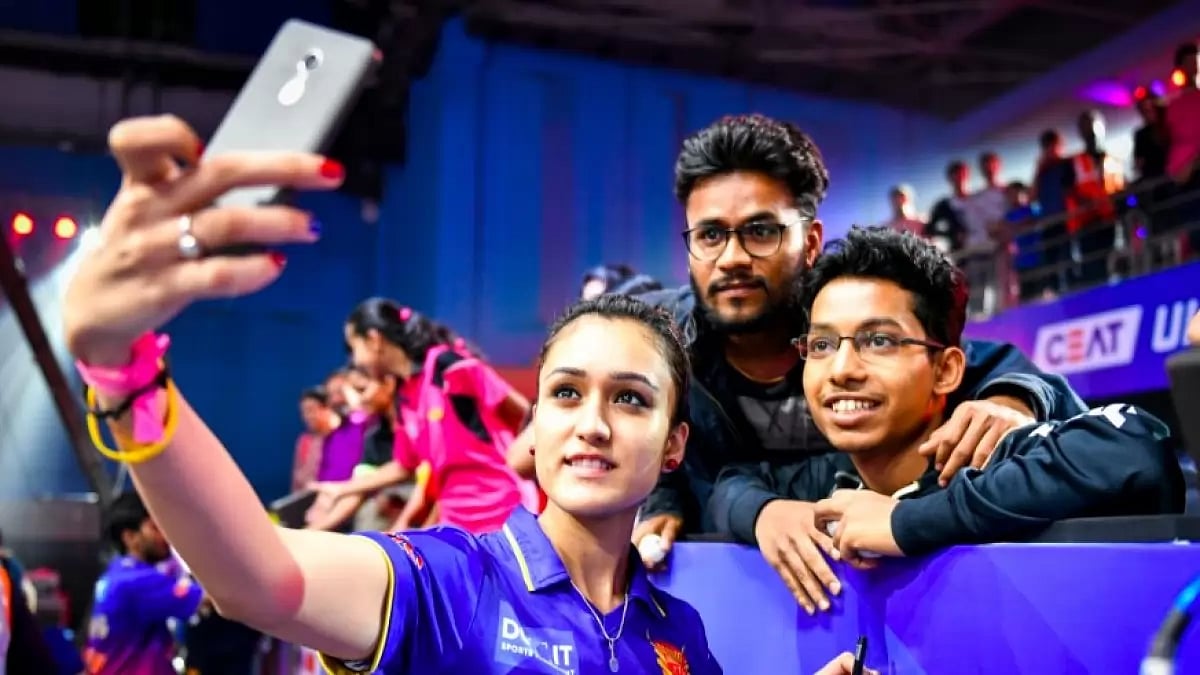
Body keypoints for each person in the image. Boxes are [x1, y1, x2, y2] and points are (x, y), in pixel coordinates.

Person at [59, 126, 870, 672]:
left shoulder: (678, 634)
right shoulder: (454, 579)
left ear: (672, 444)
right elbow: (258, 578)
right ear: (538, 427)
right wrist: (121, 373)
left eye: (630, 398)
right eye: (564, 392)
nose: (591, 422)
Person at [634, 113, 1083, 616]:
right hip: (728, 600)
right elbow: (667, 449)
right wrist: (671, 498)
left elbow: (981, 365)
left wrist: (1014, 400)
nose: (733, 257)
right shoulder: (661, 343)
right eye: (711, 235)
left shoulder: (850, 314)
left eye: (761, 231)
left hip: (891, 592)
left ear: (810, 240)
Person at [781, 227, 1184, 563]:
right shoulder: (826, 480)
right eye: (821, 345)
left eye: (880, 340)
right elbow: (731, 485)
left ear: (946, 371)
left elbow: (1138, 448)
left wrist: (906, 522)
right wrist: (764, 514)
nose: (841, 369)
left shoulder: (994, 455)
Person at [318, 297, 536, 533]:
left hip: (505, 513)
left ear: (374, 339)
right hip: (457, 525)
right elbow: (404, 465)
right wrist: (343, 489)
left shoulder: (447, 364)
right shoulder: (405, 396)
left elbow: (521, 411)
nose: (354, 360)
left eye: (354, 347)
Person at [81, 492, 205, 675]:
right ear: (130, 537)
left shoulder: (114, 575)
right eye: (155, 527)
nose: (165, 536)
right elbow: (209, 598)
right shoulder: (138, 581)